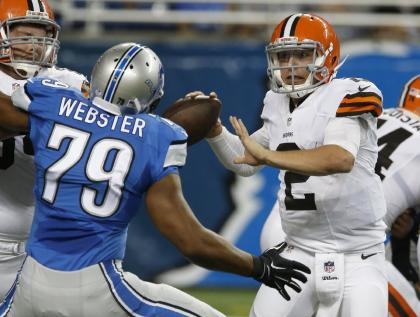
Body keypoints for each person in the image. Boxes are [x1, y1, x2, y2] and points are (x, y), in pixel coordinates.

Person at [0, 42, 310, 317]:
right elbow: (191, 242)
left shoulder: (52, 103)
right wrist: (258, 266)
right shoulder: (156, 136)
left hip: (30, 283)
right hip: (96, 284)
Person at [204, 13, 388, 317]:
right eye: (283, 55)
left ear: (326, 56)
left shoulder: (347, 93)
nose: (290, 65)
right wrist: (214, 133)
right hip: (298, 253)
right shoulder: (276, 104)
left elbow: (339, 158)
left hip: (359, 256)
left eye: (302, 55)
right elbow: (246, 159)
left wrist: (268, 156)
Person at [0, 0, 89, 300]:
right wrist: (64, 116)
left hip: (46, 248)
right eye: (24, 34)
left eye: (42, 36)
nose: (35, 45)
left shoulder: (69, 82)